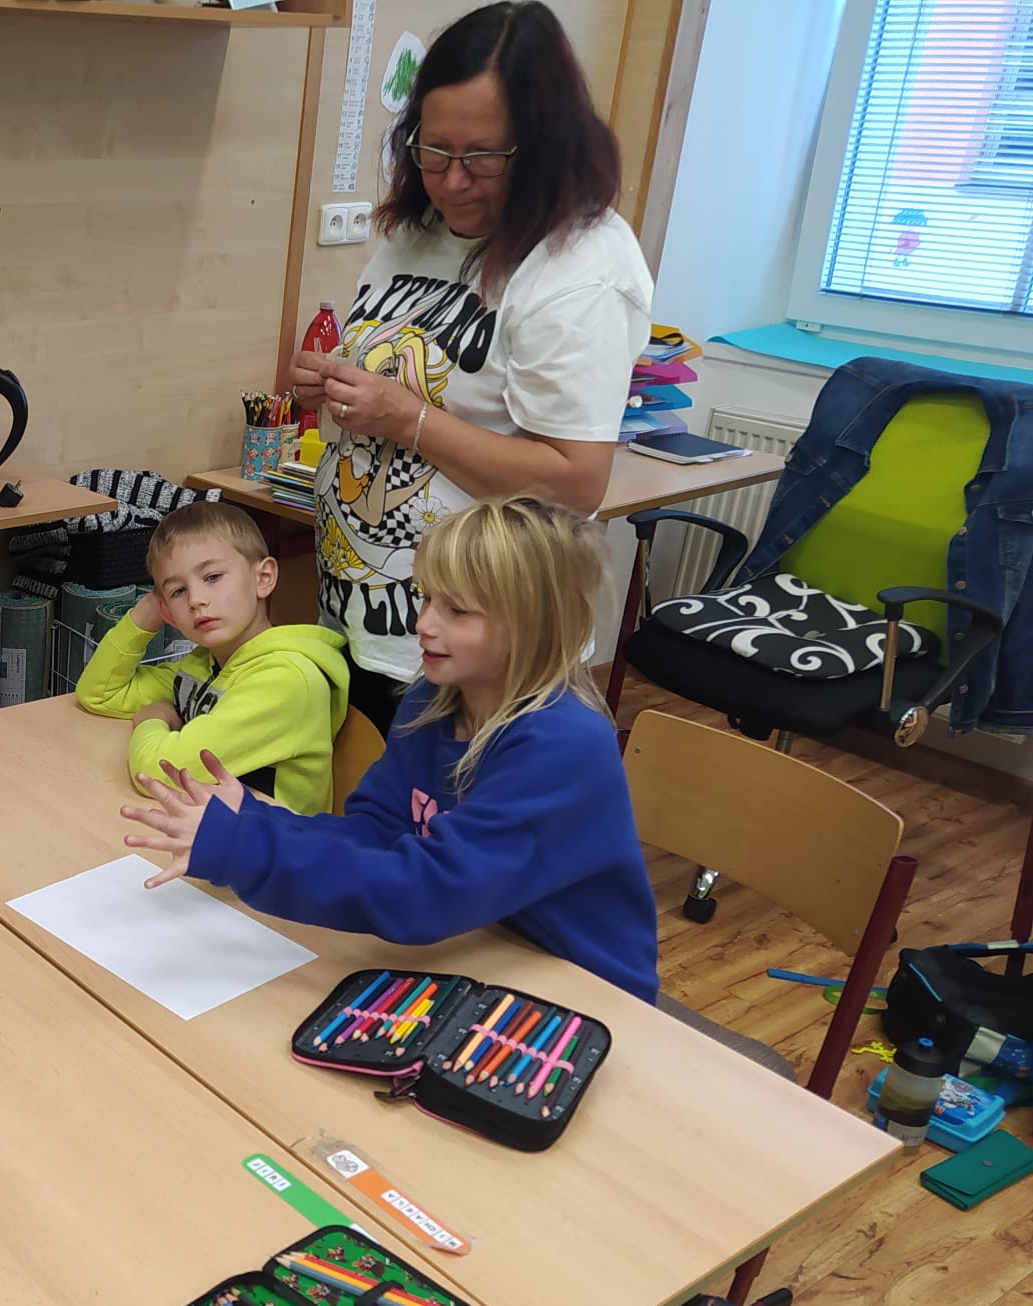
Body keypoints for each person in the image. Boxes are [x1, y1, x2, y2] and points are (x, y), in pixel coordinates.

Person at [119, 500, 659, 1005]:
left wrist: (248, 849)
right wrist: (258, 820)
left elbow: (430, 894)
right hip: (477, 945)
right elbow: (377, 832)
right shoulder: (432, 700)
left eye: (457, 610)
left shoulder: (562, 746)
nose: (423, 624)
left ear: (531, 625)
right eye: (426, 598)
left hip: (580, 985)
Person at [291, 1, 652, 734]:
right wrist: (336, 384)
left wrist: (408, 418)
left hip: (480, 657)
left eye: (483, 157)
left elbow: (576, 482)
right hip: (369, 617)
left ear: (544, 147)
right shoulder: (420, 230)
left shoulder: (581, 268)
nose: (452, 182)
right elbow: (416, 379)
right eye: (434, 150)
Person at [74, 501, 347, 815]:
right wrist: (147, 614)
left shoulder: (286, 681)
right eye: (178, 591)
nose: (196, 600)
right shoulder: (203, 665)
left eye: (213, 577)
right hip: (213, 828)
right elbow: (99, 694)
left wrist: (153, 718)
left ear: (263, 578)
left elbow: (158, 773)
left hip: (269, 843)